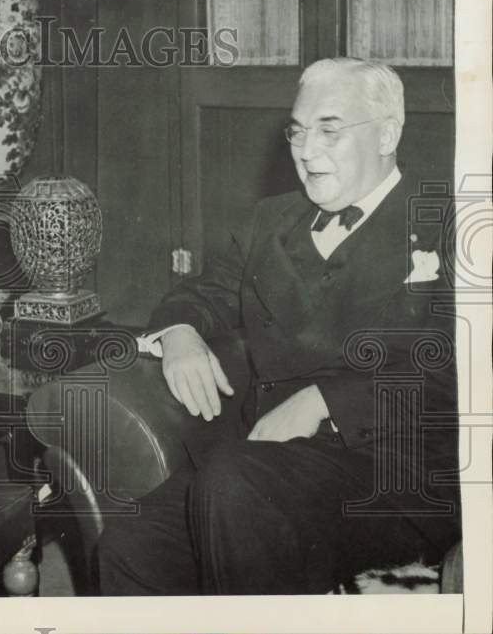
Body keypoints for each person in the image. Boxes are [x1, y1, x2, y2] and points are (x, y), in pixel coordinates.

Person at [98, 58, 460, 595]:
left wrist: (325, 400)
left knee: (233, 484)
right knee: (129, 542)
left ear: (387, 134)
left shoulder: (449, 221)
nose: (306, 151)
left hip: (394, 474)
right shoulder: (272, 221)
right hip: (268, 464)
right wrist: (179, 335)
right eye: (297, 131)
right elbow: (199, 294)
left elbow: (462, 371)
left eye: (329, 130)